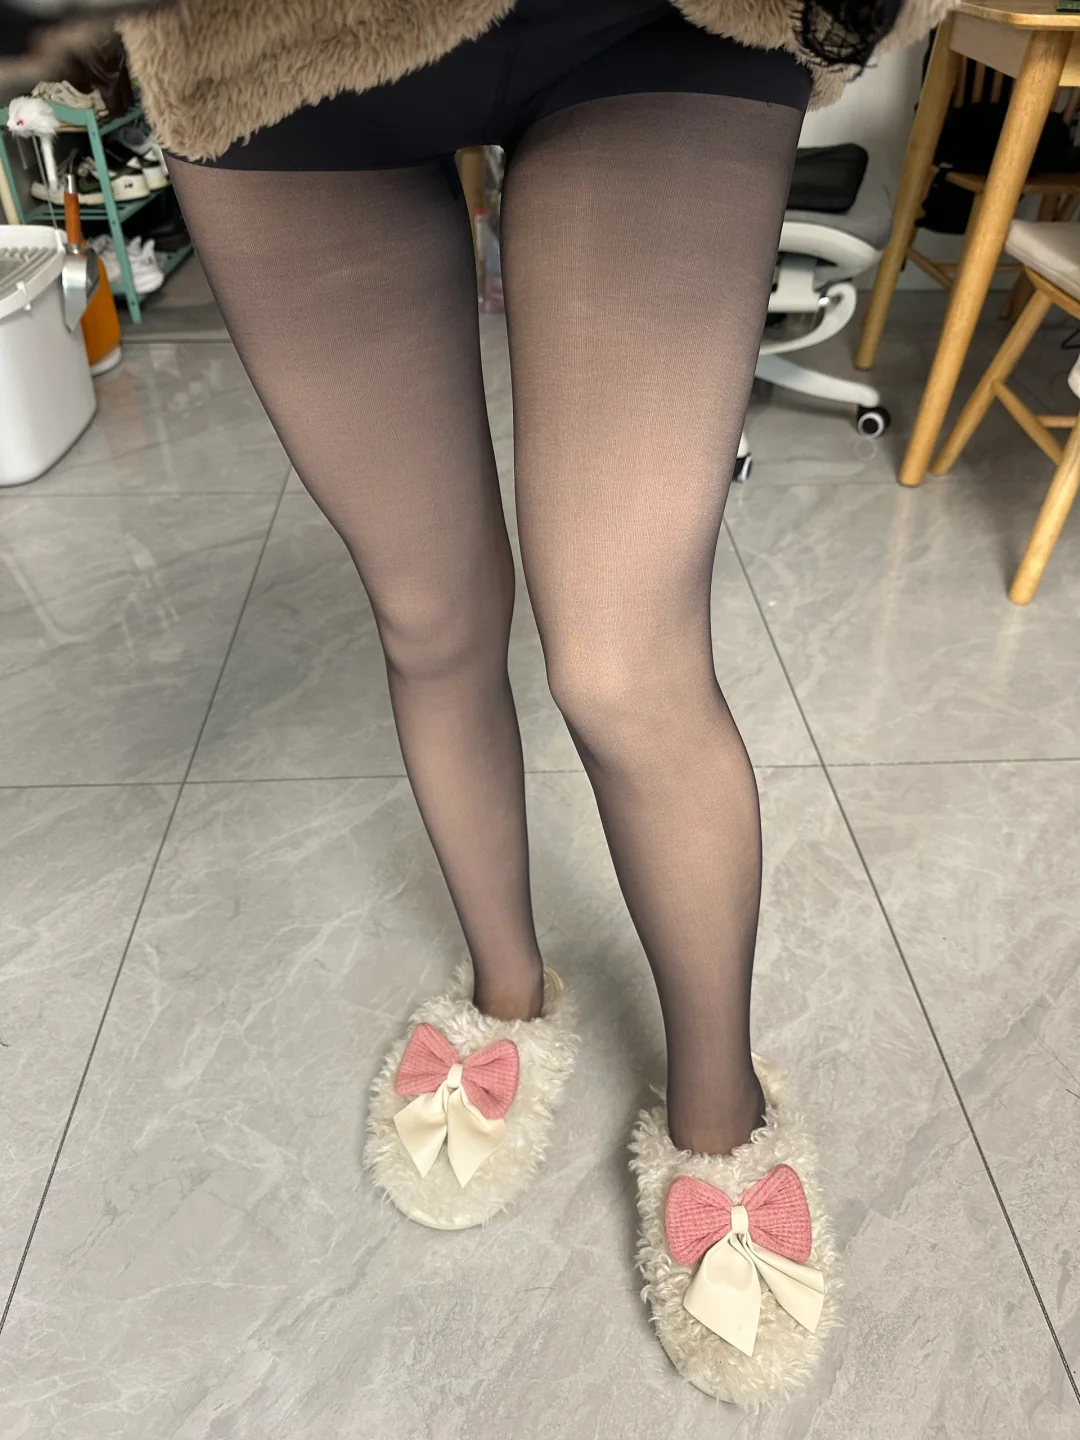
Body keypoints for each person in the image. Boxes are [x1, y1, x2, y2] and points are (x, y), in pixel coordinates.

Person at [1, 0, 954, 1406]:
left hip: (656, 20)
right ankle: (508, 992)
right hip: (266, 42)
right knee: (429, 616)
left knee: (625, 665)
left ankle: (722, 1115)